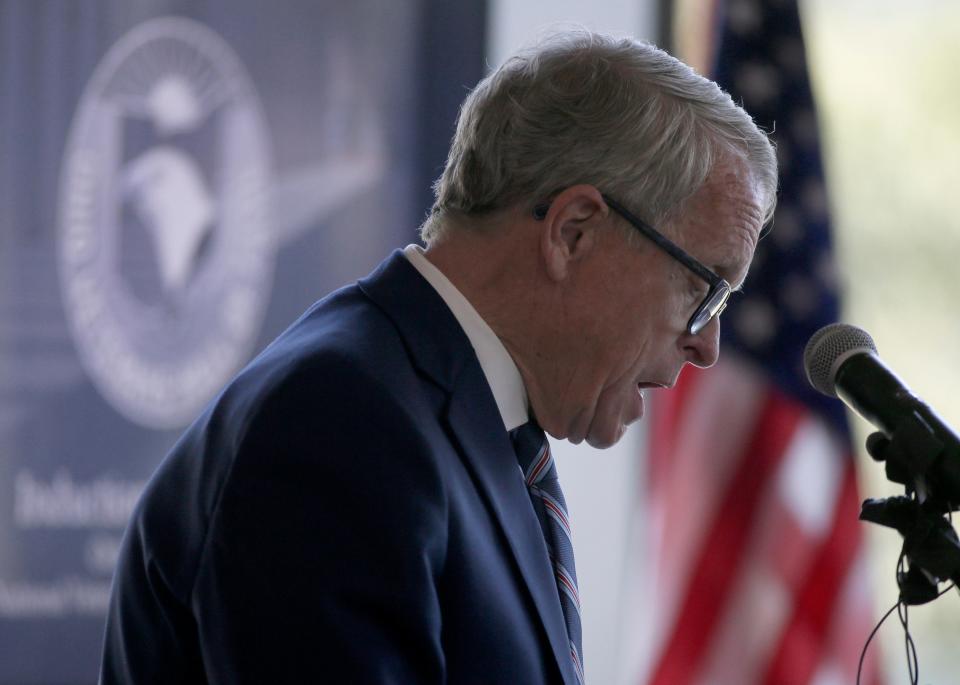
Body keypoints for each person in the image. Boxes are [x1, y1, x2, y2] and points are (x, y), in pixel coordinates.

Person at [100, 30, 777, 685]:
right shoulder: (339, 424)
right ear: (573, 232)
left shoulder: (458, 417)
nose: (706, 344)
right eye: (703, 288)